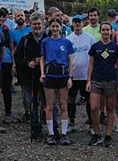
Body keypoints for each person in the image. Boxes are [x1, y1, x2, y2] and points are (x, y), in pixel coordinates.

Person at [86, 22, 118, 147]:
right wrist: (88, 80)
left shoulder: (115, 47)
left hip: (111, 80)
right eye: (103, 30)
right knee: (94, 108)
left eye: (108, 30)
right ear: (100, 31)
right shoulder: (95, 47)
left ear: (111, 31)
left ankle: (108, 135)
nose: (106, 32)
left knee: (110, 108)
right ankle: (96, 133)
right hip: (96, 79)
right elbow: (90, 64)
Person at [40, 17, 75, 145]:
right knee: (50, 105)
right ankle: (51, 134)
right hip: (50, 75)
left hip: (63, 76)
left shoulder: (66, 42)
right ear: (49, 27)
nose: (55, 29)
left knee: (63, 105)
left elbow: (70, 60)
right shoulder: (45, 42)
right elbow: (42, 59)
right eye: (53, 26)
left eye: (57, 26)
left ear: (61, 27)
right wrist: (42, 74)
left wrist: (70, 77)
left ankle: (64, 133)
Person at [14, 13, 45, 140]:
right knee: (31, 101)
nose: (37, 26)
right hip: (29, 76)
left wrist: (43, 61)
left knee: (45, 102)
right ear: (30, 25)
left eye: (39, 24)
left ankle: (47, 124)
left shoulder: (47, 38)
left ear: (42, 25)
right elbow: (18, 57)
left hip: (45, 76)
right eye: (34, 24)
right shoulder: (25, 40)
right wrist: (28, 63)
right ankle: (35, 127)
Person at [67, 14, 94, 132]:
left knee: (89, 101)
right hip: (72, 76)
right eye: (75, 22)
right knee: (70, 100)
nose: (77, 24)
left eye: (79, 22)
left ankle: (92, 124)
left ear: (83, 23)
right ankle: (71, 122)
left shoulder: (90, 38)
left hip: (86, 76)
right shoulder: (68, 39)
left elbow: (94, 57)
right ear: (72, 24)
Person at [0, 8, 16, 125]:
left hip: (6, 60)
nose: (1, 19)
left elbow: (12, 48)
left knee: (6, 88)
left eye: (3, 17)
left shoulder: (8, 31)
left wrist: (13, 64)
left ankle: (8, 112)